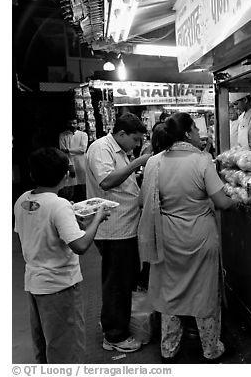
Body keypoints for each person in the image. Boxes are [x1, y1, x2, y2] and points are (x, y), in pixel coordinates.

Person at [138, 112, 240, 363]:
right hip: (199, 237)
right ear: (186, 133)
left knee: (170, 293)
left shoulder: (154, 163)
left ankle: (169, 349)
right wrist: (237, 200)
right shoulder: (202, 161)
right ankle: (211, 349)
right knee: (204, 294)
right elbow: (221, 202)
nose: (199, 134)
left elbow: (142, 201)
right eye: (195, 129)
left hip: (167, 237)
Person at [14, 147, 110, 363]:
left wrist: (74, 222)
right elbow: (81, 245)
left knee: (46, 343)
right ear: (66, 176)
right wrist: (98, 218)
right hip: (60, 286)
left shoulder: (22, 200)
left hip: (35, 284)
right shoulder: (59, 205)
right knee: (66, 348)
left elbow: (39, 231)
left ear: (31, 174)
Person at [85, 113, 151, 353]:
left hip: (125, 226)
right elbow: (106, 182)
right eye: (134, 139)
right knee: (117, 283)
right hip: (113, 229)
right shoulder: (101, 148)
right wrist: (139, 162)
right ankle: (114, 335)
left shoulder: (120, 151)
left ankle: (113, 320)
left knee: (124, 280)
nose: (136, 144)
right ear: (121, 134)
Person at [59, 117, 88, 201]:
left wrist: (68, 150)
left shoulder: (83, 135)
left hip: (81, 163)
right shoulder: (63, 135)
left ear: (78, 124)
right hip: (68, 162)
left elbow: (83, 149)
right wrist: (70, 165)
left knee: (84, 185)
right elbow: (62, 150)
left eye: (74, 123)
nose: (72, 125)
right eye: (70, 123)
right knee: (69, 187)